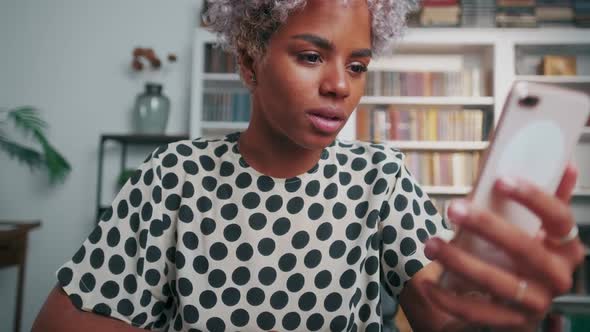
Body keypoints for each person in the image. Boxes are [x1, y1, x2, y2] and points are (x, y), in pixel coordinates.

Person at [33, 1, 585, 331]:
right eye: (311, 56)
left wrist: (498, 305)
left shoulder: (379, 178)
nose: (340, 86)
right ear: (249, 62)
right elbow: (62, 324)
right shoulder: (175, 173)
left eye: (358, 64)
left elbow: (443, 315)